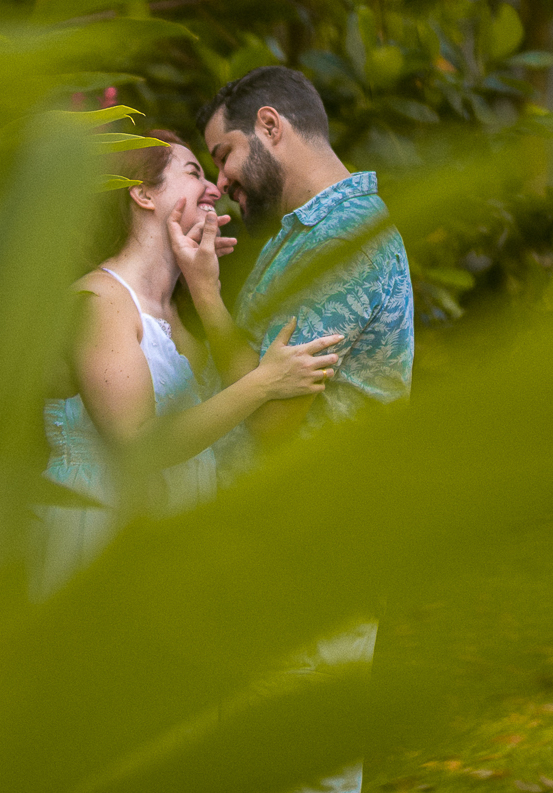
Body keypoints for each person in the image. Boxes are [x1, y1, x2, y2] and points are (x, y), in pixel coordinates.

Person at [167, 65, 413, 793]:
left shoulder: (345, 238)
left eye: (224, 154)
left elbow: (272, 418)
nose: (222, 182)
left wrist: (208, 299)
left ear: (270, 126)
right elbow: (249, 376)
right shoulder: (302, 232)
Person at [32, 130, 344, 600]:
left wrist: (204, 285)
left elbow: (218, 428)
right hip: (103, 540)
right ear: (142, 193)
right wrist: (264, 383)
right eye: (194, 172)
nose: (216, 188)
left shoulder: (173, 317)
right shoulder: (100, 300)